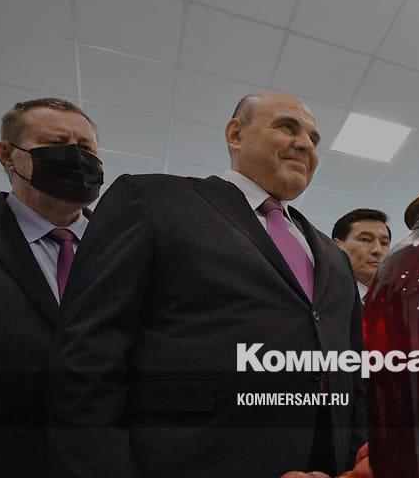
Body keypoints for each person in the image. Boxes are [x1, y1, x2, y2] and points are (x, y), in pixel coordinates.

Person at [48, 91, 365, 477]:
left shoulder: (334, 257)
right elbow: (89, 352)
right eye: (287, 127)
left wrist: (355, 459)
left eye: (314, 139)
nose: (305, 145)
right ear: (235, 133)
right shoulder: (153, 200)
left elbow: (354, 368)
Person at [0, 98, 102, 477]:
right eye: (57, 143)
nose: (76, 156)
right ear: (7, 155)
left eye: (86, 147)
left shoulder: (132, 246)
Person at [332, 209, 391, 304]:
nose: (377, 250)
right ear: (336, 246)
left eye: (384, 243)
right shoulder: (320, 298)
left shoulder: (397, 302)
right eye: (365, 239)